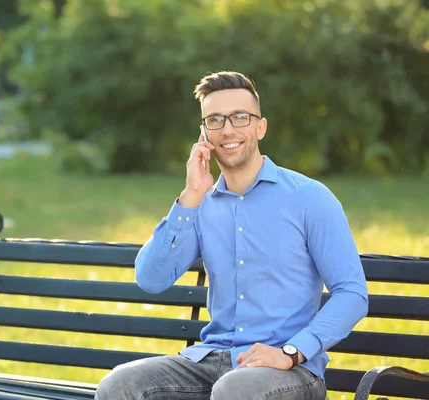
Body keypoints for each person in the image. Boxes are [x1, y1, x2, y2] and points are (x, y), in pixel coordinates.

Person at [94, 71, 369, 400]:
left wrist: (293, 351)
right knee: (119, 385)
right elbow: (151, 278)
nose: (227, 129)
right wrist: (191, 194)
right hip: (211, 361)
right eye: (214, 120)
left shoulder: (310, 198)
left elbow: (352, 294)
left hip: (289, 370)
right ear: (204, 133)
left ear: (260, 127)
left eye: (240, 117)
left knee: (234, 390)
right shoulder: (200, 205)